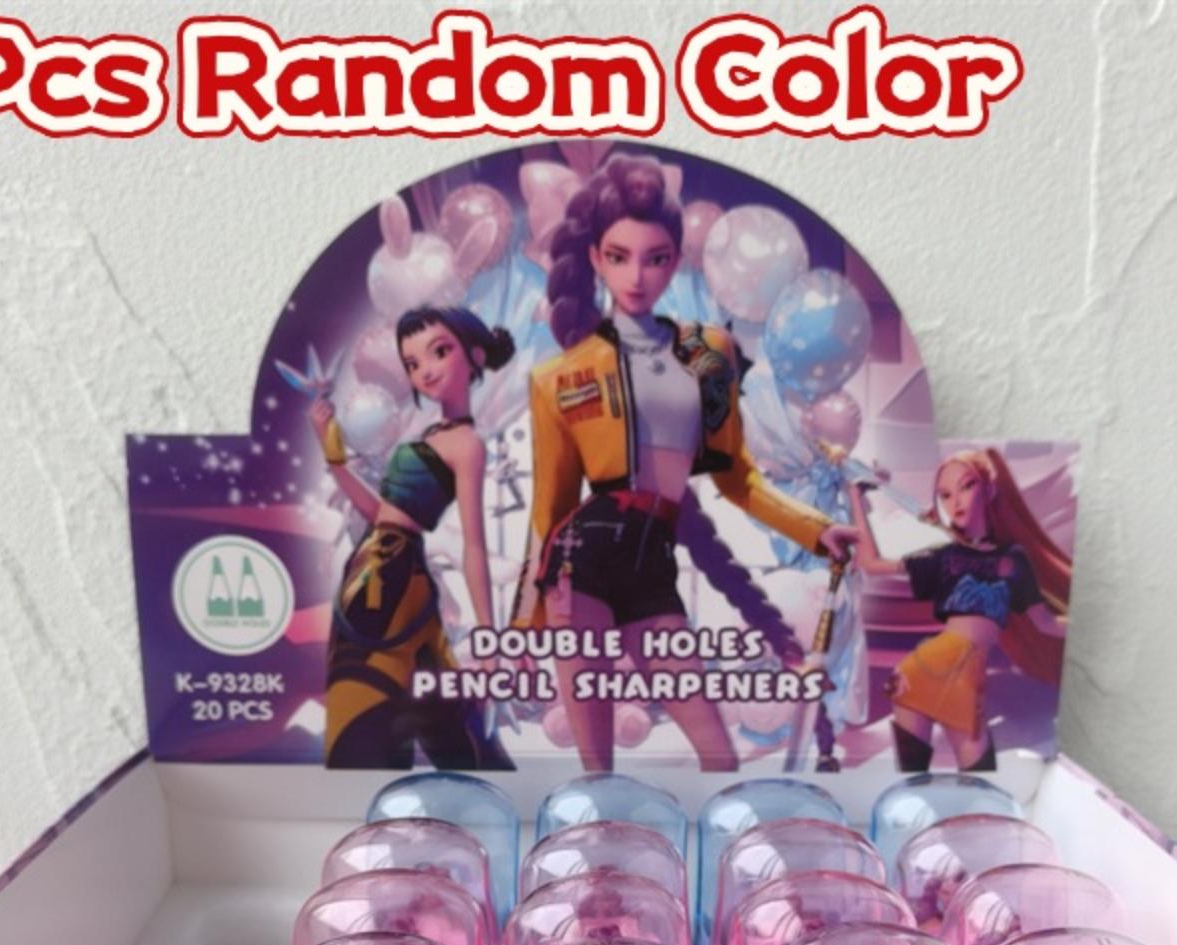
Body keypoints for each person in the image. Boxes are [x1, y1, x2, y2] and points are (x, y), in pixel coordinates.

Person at [515, 153, 861, 771]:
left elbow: (739, 480)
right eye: (619, 256)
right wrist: (522, 626)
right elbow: (551, 512)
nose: (636, 276)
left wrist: (816, 529)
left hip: (651, 564)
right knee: (597, 768)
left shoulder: (709, 353)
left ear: (675, 260)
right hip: (578, 565)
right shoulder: (559, 377)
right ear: (595, 258)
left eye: (654, 258)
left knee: (718, 757)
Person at [309, 305, 515, 769]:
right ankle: (474, 775)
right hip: (379, 565)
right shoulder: (432, 433)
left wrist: (488, 640)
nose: (426, 370)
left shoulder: (467, 445)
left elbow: (474, 546)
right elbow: (377, 513)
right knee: (436, 702)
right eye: (412, 363)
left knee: (364, 689)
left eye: (439, 352)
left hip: (392, 576)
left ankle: (381, 778)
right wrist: (332, 451)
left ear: (475, 355)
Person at [860, 449, 1068, 772]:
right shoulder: (943, 557)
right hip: (918, 674)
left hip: (966, 682)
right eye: (945, 495)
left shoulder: (1012, 559)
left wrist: (1091, 629)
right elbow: (871, 565)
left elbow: (1045, 622)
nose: (955, 502)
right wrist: (855, 494)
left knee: (979, 783)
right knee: (912, 783)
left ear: (990, 488)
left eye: (967, 486)